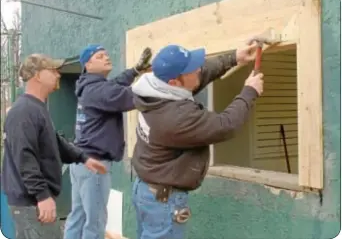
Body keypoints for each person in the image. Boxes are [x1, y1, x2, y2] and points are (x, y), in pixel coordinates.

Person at [130, 43, 264, 239]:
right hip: (163, 201)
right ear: (175, 82)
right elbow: (225, 125)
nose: (199, 70)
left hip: (147, 190)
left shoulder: (156, 88)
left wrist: (234, 57)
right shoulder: (175, 118)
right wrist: (249, 92)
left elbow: (197, 78)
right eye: (193, 69)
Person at [1, 54, 108, 239]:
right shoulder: (24, 111)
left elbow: (55, 142)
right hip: (30, 204)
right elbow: (25, 158)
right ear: (37, 75)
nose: (58, 75)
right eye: (53, 70)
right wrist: (42, 196)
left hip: (34, 203)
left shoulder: (37, 107)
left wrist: (83, 158)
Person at [63, 45, 152, 239]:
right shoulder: (99, 90)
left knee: (78, 217)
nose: (107, 58)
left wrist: (135, 71)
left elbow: (116, 83)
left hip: (81, 162)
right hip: (94, 165)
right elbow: (128, 97)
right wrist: (160, 78)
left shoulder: (91, 85)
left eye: (107, 54)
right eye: (100, 56)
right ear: (88, 64)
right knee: (94, 223)